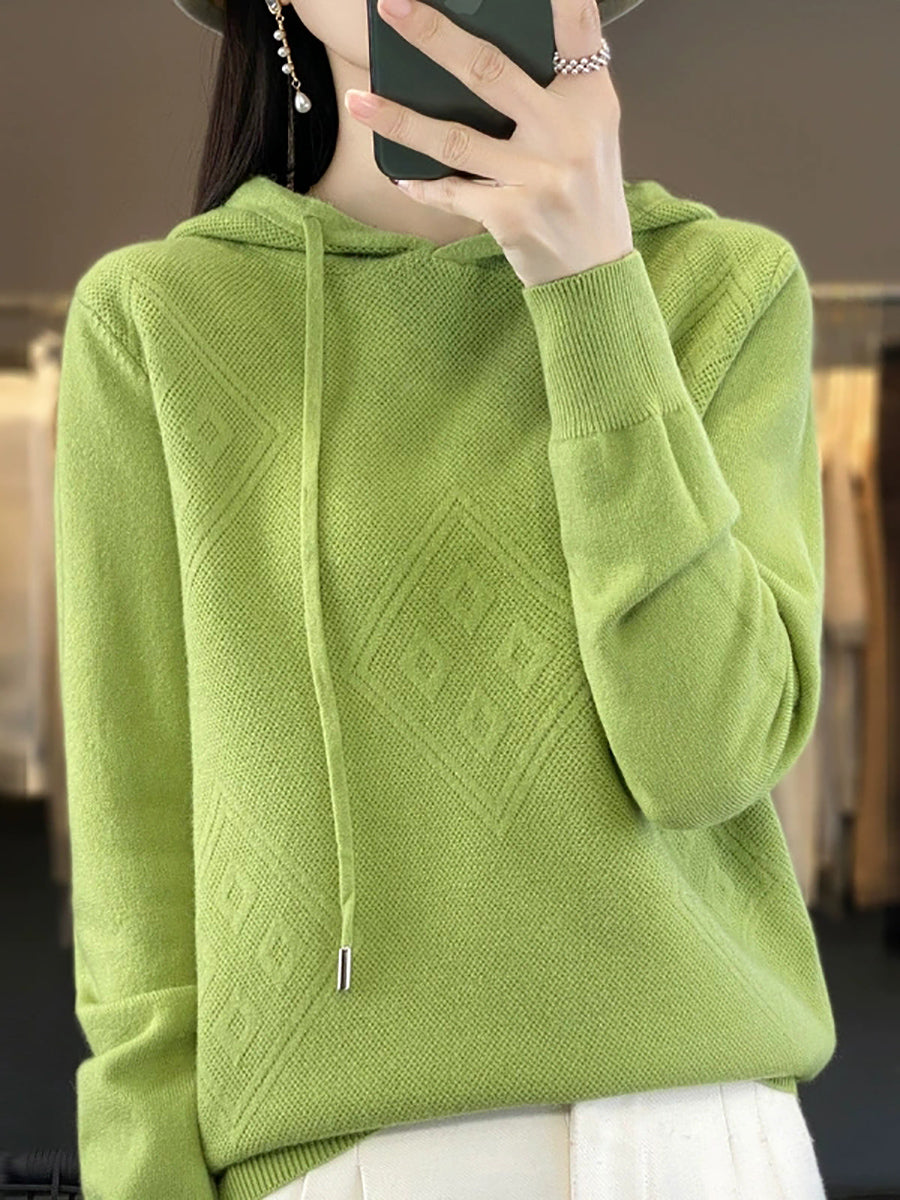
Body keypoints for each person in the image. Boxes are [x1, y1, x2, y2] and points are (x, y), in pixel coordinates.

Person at [53, 0, 837, 1196]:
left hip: (698, 1137)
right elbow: (136, 863)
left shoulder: (723, 286)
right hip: (340, 1164)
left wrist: (593, 289)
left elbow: (709, 758)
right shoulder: (155, 320)